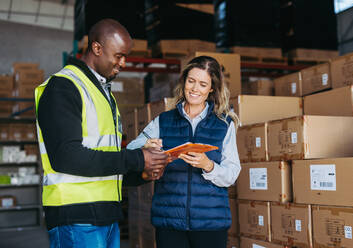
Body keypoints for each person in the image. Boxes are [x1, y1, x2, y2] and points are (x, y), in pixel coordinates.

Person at [35, 19, 168, 247]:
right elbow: (66, 157)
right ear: (97, 48)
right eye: (118, 56)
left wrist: (141, 173)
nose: (123, 63)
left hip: (105, 216)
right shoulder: (63, 87)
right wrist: (137, 158)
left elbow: (104, 160)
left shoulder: (105, 95)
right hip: (76, 219)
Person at [127, 55, 241, 248]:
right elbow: (131, 149)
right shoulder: (163, 121)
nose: (195, 89)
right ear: (184, 82)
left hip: (210, 224)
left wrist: (209, 166)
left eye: (203, 84)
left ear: (212, 88)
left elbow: (232, 174)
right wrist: (147, 147)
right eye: (191, 81)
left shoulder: (223, 124)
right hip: (169, 222)